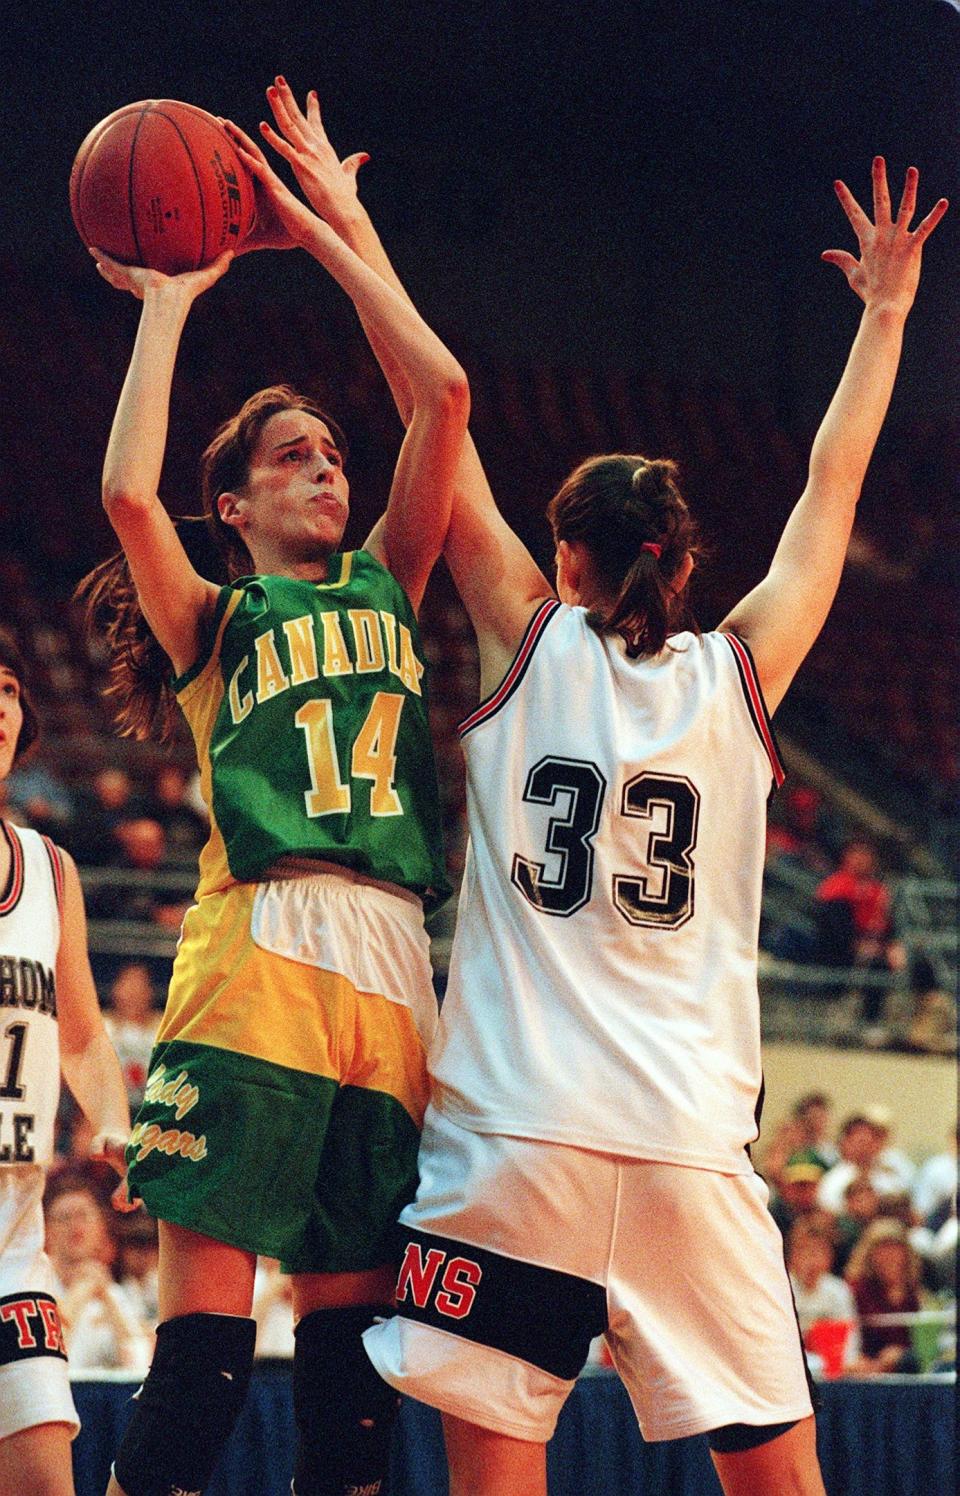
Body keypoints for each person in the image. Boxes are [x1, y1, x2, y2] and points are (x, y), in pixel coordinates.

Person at [289, 116, 941, 1493]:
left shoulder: (525, 635)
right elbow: (834, 484)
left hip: (516, 1139)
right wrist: (883, 315)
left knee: (495, 1477)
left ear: (567, 551)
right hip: (684, 1145)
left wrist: (352, 233)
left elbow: (435, 418)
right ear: (688, 560)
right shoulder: (743, 671)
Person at [79, 102, 469, 1496]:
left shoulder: (386, 581)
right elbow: (130, 494)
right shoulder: (218, 622)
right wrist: (171, 303)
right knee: (204, 1362)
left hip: (389, 964)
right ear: (236, 505)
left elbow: (445, 398)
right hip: (259, 952)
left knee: (354, 1371)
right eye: (291, 455)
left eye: (330, 455)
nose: (325, 465)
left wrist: (324, 238)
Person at [0, 628, 130, 1496]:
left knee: (49, 1480)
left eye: (7, 689)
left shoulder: (49, 869)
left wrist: (117, 1119)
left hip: (14, 1237)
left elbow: (80, 1033)